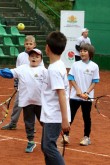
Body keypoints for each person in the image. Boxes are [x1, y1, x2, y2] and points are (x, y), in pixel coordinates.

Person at [0, 48, 47, 153]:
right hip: (27, 102)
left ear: (41, 59)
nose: (34, 58)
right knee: (29, 123)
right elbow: (10, 73)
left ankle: (47, 142)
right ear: (28, 58)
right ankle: (31, 141)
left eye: (37, 56)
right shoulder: (22, 68)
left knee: (45, 123)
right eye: (32, 56)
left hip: (41, 103)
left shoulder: (44, 71)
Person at [1, 35, 44, 130]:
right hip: (22, 87)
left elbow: (42, 70)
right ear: (24, 44)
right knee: (17, 105)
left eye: (31, 44)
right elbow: (16, 71)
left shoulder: (38, 54)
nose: (28, 45)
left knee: (35, 106)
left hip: (34, 86)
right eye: (27, 44)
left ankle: (32, 126)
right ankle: (13, 123)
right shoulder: (20, 56)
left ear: (34, 44)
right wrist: (16, 84)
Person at [40, 31, 71, 165]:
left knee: (49, 147)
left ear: (47, 48)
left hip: (55, 115)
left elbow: (61, 94)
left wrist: (64, 120)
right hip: (51, 114)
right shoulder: (57, 66)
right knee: (45, 147)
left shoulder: (54, 69)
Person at [63, 43, 100, 146]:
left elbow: (94, 81)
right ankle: (65, 136)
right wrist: (78, 90)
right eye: (81, 51)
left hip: (87, 98)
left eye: (85, 51)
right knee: (70, 116)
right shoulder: (75, 64)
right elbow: (71, 78)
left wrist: (86, 92)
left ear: (90, 53)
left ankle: (86, 137)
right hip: (75, 96)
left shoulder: (94, 66)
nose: (82, 52)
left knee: (86, 118)